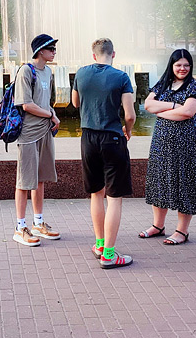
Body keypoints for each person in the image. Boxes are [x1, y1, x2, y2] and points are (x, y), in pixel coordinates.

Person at [71, 38, 136, 269]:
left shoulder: (81, 73)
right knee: (114, 197)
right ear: (113, 54)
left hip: (88, 138)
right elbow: (129, 114)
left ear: (94, 55)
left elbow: (75, 103)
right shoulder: (121, 77)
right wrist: (128, 131)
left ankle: (99, 244)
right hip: (112, 138)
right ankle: (109, 254)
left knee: (96, 194)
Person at [140, 48, 196, 245]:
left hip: (185, 144)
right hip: (161, 143)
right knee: (159, 180)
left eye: (186, 65)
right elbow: (148, 105)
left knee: (184, 183)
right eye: (178, 65)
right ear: (171, 65)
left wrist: (161, 111)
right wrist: (173, 107)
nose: (183, 68)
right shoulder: (163, 84)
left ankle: (182, 231)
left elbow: (188, 112)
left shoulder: (195, 86)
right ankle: (158, 226)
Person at [12, 33, 61, 246]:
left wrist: (53, 115)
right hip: (29, 134)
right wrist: (50, 115)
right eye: (51, 48)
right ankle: (19, 227)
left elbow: (46, 101)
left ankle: (38, 223)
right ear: (40, 51)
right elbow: (26, 104)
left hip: (44, 132)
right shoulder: (26, 71)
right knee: (25, 181)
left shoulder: (48, 72)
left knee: (40, 178)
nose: (54, 51)